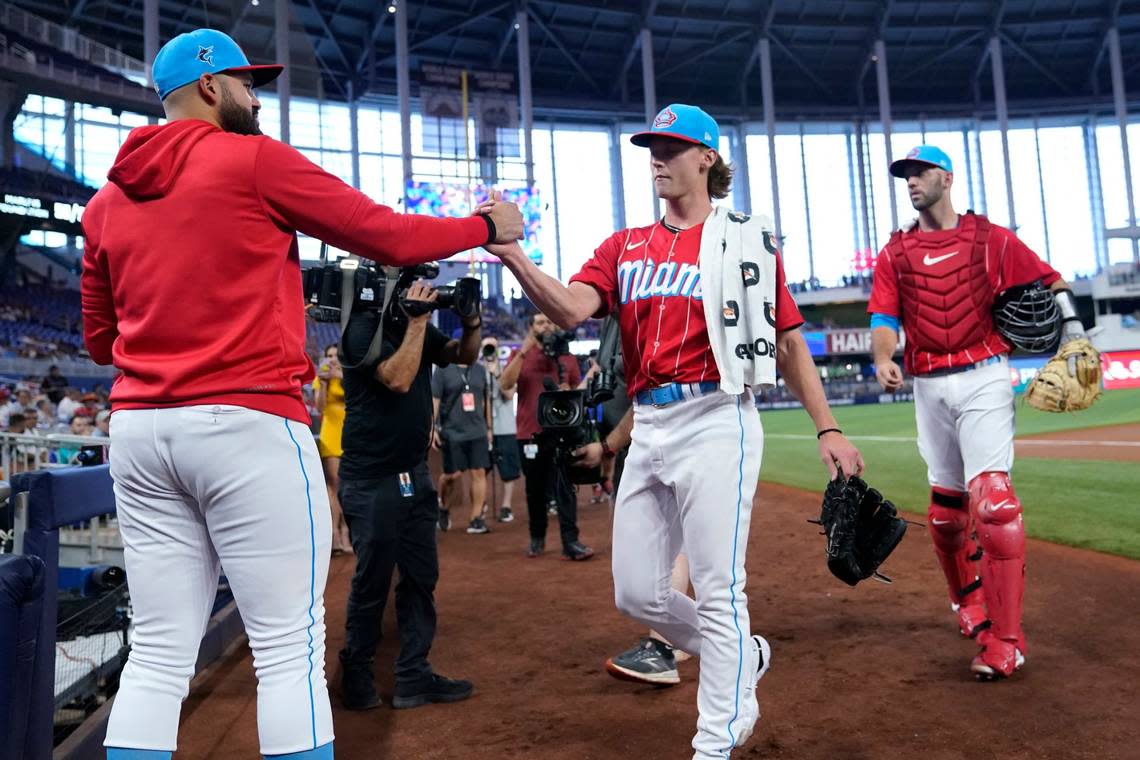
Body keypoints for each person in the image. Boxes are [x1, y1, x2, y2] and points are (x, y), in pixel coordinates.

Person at [80, 28, 522, 760]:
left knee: (158, 653)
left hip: (139, 432)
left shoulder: (105, 203)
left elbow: (102, 344)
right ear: (212, 86)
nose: (258, 97)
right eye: (248, 83)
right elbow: (385, 235)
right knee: (288, 650)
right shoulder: (252, 160)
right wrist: (484, 225)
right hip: (245, 422)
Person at [484, 103, 862, 759]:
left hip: (719, 416)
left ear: (707, 158)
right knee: (636, 591)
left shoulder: (745, 240)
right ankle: (744, 654)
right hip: (652, 421)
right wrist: (513, 256)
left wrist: (826, 427)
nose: (656, 157)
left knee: (719, 587)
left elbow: (791, 342)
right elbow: (573, 307)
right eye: (651, 146)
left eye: (671, 146)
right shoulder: (625, 245)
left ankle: (716, 738)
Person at [868, 144, 1076, 680]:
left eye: (920, 173)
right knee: (945, 512)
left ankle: (1007, 641)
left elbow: (1051, 280)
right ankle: (969, 603)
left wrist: (1075, 332)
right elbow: (884, 315)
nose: (911, 182)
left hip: (984, 373)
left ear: (947, 177)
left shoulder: (990, 238)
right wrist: (884, 355)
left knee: (996, 506)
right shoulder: (895, 252)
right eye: (905, 175)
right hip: (927, 383)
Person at [337, 281, 481, 711]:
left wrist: (470, 320)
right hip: (370, 479)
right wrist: (419, 319)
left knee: (421, 578)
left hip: (413, 474)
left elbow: (463, 356)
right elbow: (398, 379)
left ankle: (413, 676)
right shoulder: (362, 328)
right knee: (372, 581)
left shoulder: (414, 325)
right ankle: (357, 673)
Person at [498, 313, 594, 561]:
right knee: (535, 490)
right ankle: (537, 538)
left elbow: (575, 393)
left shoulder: (567, 357)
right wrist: (523, 351)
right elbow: (505, 385)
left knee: (565, 489)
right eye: (540, 322)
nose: (547, 325)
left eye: (550, 321)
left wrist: (579, 385)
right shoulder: (522, 354)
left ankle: (570, 541)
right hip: (530, 432)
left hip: (562, 434)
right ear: (531, 328)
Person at [431, 347, 493, 534]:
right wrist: (432, 427)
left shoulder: (480, 370)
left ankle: (476, 519)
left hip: (477, 430)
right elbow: (435, 400)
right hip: (452, 431)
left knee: (478, 472)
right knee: (452, 475)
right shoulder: (443, 370)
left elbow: (484, 401)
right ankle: (443, 506)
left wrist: (488, 427)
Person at [314, 343, 352, 554]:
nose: (332, 359)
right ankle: (336, 534)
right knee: (335, 485)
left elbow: (355, 398)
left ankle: (347, 532)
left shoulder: (349, 374)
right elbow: (320, 407)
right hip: (330, 432)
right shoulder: (322, 376)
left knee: (347, 485)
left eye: (336, 355)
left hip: (350, 433)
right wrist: (324, 383)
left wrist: (342, 376)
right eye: (328, 356)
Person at [482, 337, 519, 524]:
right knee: (481, 470)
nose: (489, 351)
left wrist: (497, 374)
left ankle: (506, 506)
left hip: (505, 428)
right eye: (486, 348)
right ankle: (482, 503)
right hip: (484, 430)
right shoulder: (477, 373)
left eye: (492, 348)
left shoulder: (506, 371)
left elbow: (509, 394)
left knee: (508, 471)